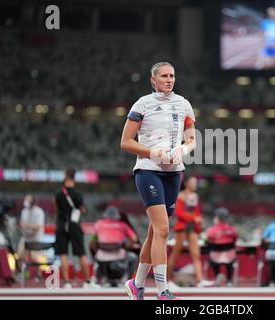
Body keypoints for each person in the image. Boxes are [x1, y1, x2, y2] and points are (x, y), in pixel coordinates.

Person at [121, 61, 196, 300]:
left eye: (172, 75)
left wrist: (183, 150)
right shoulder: (143, 104)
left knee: (156, 232)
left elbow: (192, 140)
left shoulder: (183, 104)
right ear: (153, 80)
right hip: (148, 170)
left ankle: (137, 283)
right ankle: (163, 290)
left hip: (174, 173)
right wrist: (154, 153)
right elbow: (125, 142)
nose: (169, 79)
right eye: (164, 76)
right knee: (163, 229)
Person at [167, 176, 213, 288]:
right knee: (175, 253)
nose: (195, 184)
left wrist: (199, 220)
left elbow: (197, 212)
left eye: (196, 182)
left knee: (196, 254)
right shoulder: (181, 195)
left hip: (192, 228)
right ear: (187, 183)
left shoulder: (195, 196)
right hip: (182, 227)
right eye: (193, 182)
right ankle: (167, 280)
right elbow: (178, 213)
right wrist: (194, 218)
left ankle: (199, 280)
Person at [54, 168, 96, 289]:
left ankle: (67, 282)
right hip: (74, 225)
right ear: (74, 177)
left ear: (66, 176)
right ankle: (87, 281)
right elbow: (82, 209)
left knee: (63, 254)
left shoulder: (58, 193)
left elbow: (56, 209)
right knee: (81, 253)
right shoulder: (78, 194)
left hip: (61, 225)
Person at [91, 207, 139, 287]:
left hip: (101, 256)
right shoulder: (123, 225)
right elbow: (134, 239)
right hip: (119, 256)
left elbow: (92, 242)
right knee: (133, 257)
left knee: (96, 257)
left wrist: (97, 251)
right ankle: (129, 281)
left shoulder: (98, 224)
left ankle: (97, 279)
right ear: (117, 216)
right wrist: (126, 247)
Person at [205, 207, 238, 287]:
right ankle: (229, 280)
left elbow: (207, 241)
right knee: (230, 262)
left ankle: (217, 275)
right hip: (230, 256)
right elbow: (235, 239)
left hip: (215, 257)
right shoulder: (232, 229)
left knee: (213, 259)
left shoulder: (212, 230)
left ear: (217, 218)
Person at [17, 194, 45, 277]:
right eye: (26, 200)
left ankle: (39, 275)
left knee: (36, 258)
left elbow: (38, 226)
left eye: (28, 200)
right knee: (20, 256)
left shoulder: (39, 211)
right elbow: (21, 224)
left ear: (33, 201)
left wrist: (26, 225)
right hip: (25, 238)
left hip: (36, 238)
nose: (26, 202)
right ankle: (23, 273)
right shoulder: (24, 211)